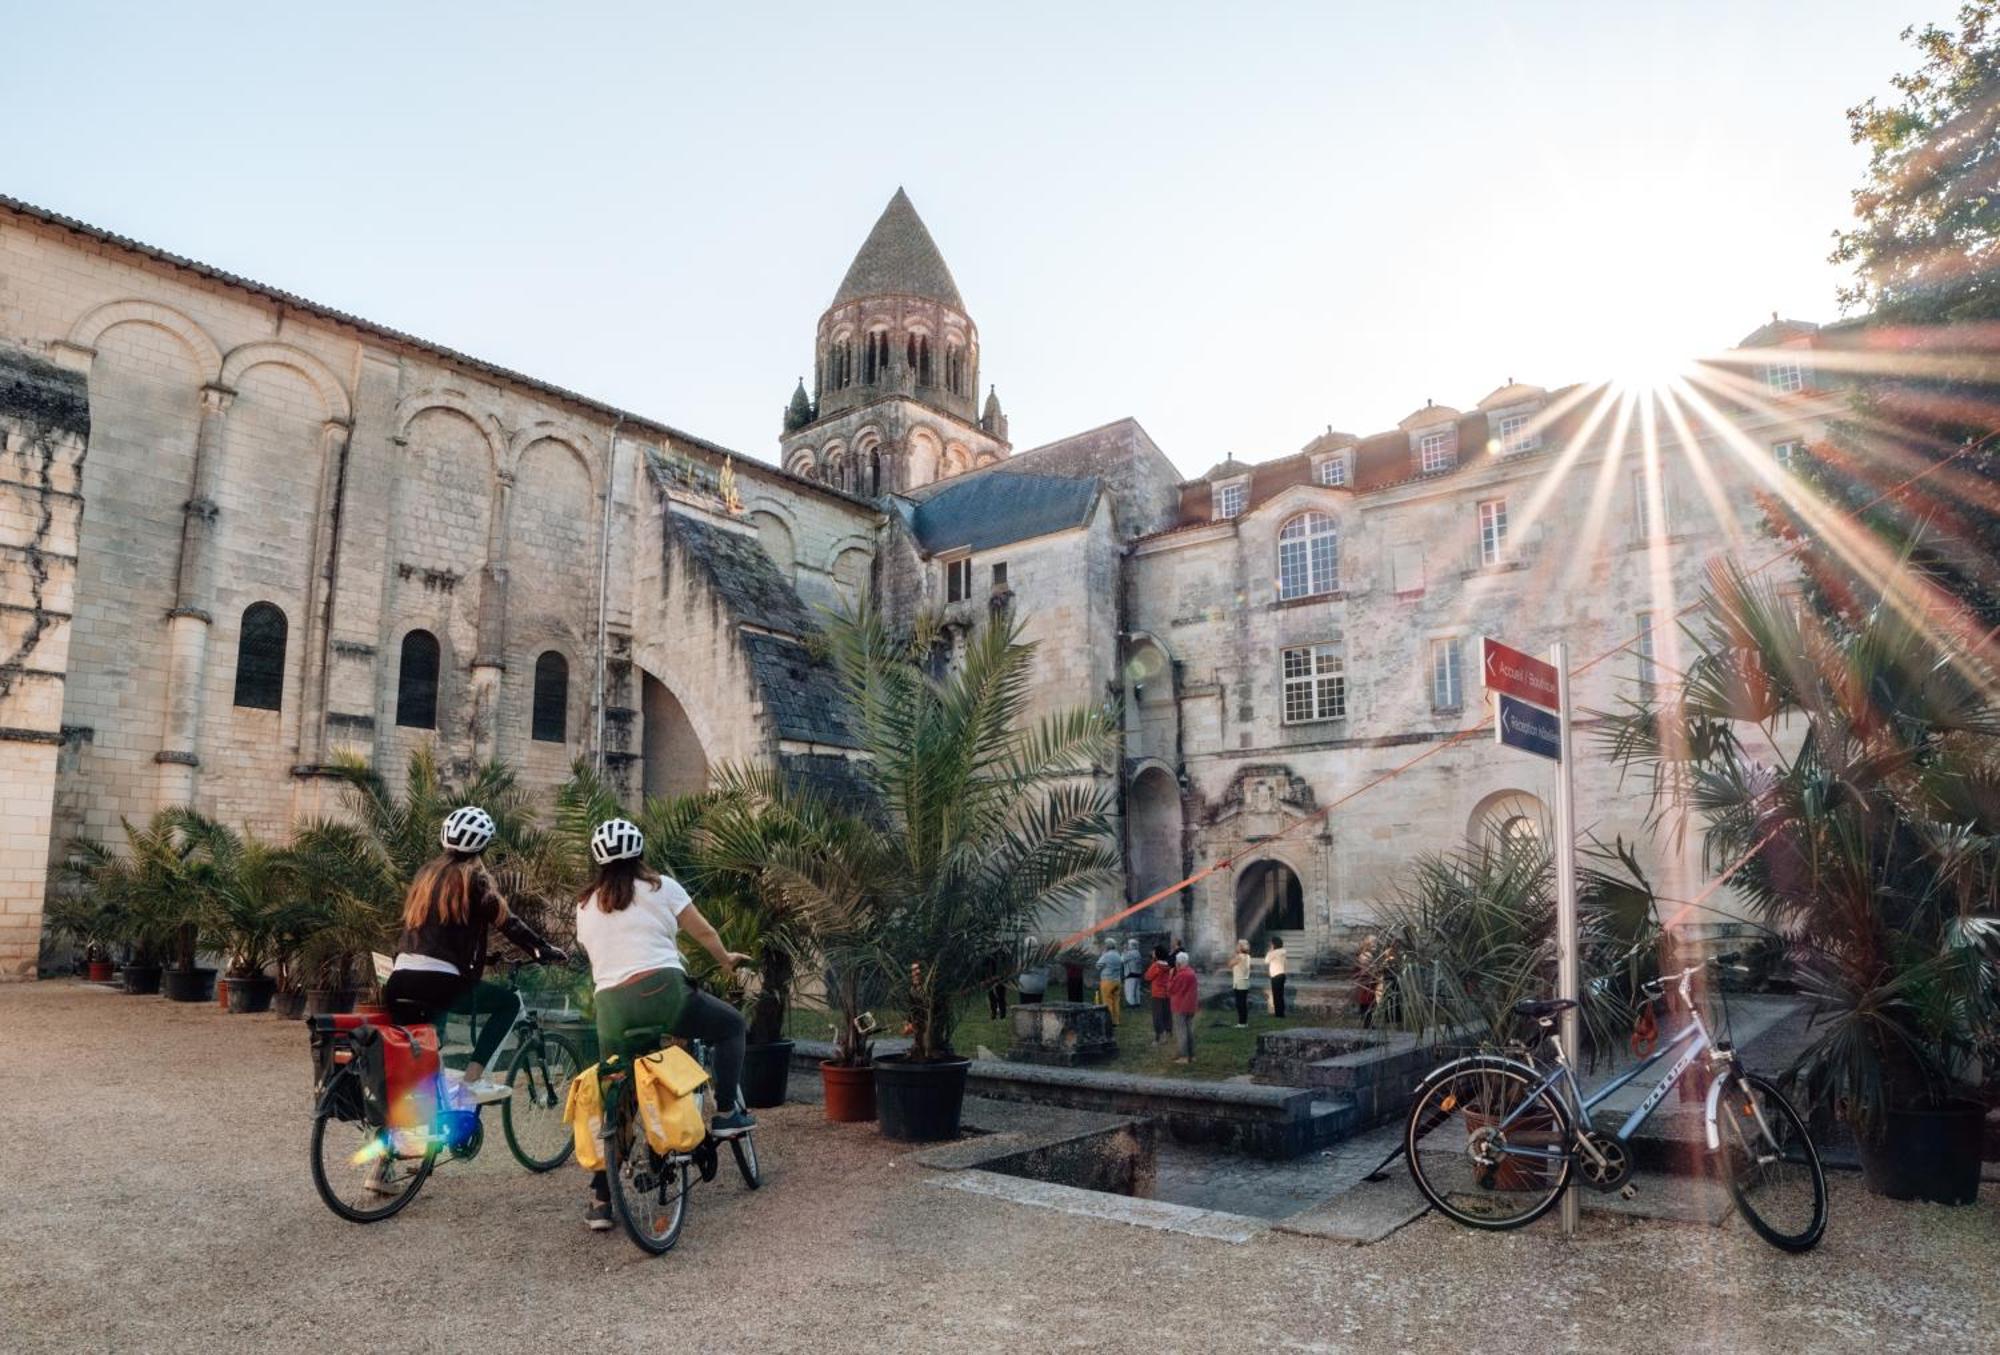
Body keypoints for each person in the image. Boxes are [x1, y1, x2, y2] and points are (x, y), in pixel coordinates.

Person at [573, 817, 756, 1233]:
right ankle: (727, 1113)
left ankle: (601, 1196)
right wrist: (726, 959)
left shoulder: (584, 906)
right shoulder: (661, 887)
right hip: (664, 994)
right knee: (730, 1027)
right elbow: (704, 931)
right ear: (640, 854)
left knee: (618, 1094)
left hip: (612, 1008)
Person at [382, 806, 563, 1107]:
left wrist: (482, 959)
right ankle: (472, 1082)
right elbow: (508, 922)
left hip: (399, 980)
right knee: (508, 1003)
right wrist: (542, 949)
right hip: (438, 983)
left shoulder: (425, 875)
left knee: (428, 1044)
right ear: (484, 847)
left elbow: (437, 935)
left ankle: (429, 1120)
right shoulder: (474, 880)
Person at [1167, 951, 1199, 1063]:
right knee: (1189, 1031)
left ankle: (1183, 1056)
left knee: (1181, 1032)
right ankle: (1192, 1055)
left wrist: (1171, 976)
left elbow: (1170, 989)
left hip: (1180, 1006)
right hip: (1191, 1006)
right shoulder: (1191, 972)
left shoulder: (1180, 975)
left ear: (1178, 963)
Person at [1143, 944, 1173, 1044]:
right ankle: (1168, 1033)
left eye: (1154, 951)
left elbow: (1147, 977)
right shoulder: (1167, 965)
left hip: (1157, 994)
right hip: (1167, 993)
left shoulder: (1156, 965)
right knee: (1166, 1014)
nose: (1152, 953)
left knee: (1157, 1016)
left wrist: (1152, 962)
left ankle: (1159, 1038)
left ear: (1157, 954)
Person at [1095, 941, 1124, 1026]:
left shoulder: (1106, 955)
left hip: (1107, 981)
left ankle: (1109, 1021)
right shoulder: (1118, 954)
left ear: (1107, 946)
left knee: (1107, 1001)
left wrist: (1102, 955)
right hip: (1117, 981)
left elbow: (1098, 966)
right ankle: (1116, 1021)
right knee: (1116, 1001)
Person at [1016, 937, 1048, 1005]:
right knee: (1037, 1008)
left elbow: (1018, 969)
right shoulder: (1043, 956)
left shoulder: (1023, 956)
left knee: (1024, 1008)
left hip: (1025, 986)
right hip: (1039, 987)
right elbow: (1047, 970)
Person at [1229, 939, 1253, 1027]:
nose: (1236, 947)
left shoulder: (1239, 956)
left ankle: (1241, 1022)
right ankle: (1244, 1021)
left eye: (1238, 945)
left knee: (1240, 1003)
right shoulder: (1248, 956)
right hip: (1244, 981)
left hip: (1239, 982)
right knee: (1243, 1003)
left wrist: (1234, 956)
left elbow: (1230, 964)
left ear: (1240, 947)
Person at [1267, 934, 1288, 1019]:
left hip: (1275, 975)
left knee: (1276, 995)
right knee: (1280, 994)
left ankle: (1278, 1014)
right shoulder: (1283, 951)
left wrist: (1270, 951)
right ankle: (1281, 1012)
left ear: (1274, 944)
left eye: (1271, 944)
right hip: (1282, 974)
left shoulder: (1273, 953)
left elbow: (1266, 960)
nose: (1270, 945)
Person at [1122, 937, 1144, 1012]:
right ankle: (1137, 1003)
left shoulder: (1130, 953)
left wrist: (1124, 951)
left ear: (1131, 945)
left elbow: (1122, 960)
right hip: (1137, 974)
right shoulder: (1138, 953)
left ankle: (1131, 1004)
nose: (1128, 946)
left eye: (1128, 944)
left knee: (1129, 990)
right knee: (1136, 990)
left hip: (1130, 974)